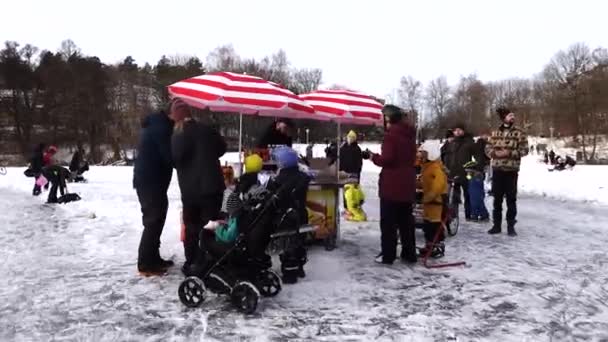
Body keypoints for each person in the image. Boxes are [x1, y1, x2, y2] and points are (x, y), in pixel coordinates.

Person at [171, 99, 227, 276]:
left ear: (176, 117)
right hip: (212, 188)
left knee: (192, 227)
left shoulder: (178, 136)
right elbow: (222, 149)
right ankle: (210, 261)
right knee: (210, 225)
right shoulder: (207, 129)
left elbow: (175, 159)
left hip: (190, 191)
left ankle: (193, 262)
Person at [364, 104, 417, 264]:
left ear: (388, 118)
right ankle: (409, 253)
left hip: (392, 186)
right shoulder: (409, 135)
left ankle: (388, 255)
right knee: (406, 223)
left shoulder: (391, 136)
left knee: (388, 223)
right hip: (407, 184)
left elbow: (387, 159)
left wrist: (373, 157)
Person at [133, 105, 175, 276]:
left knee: (157, 219)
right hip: (150, 181)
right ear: (174, 113)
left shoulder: (159, 124)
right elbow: (170, 156)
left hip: (152, 181)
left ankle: (153, 258)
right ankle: (145, 264)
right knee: (153, 221)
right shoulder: (161, 128)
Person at [486, 107, 529, 236]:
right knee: (497, 199)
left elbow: (525, 150)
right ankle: (496, 225)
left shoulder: (519, 132)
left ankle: (511, 226)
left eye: (513, 116)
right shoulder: (494, 133)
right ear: (504, 117)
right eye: (510, 116)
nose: (513, 118)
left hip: (511, 170)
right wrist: (495, 153)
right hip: (498, 169)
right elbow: (487, 148)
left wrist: (510, 152)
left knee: (511, 199)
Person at [416, 149, 448, 258]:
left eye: (422, 156)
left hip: (436, 201)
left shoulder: (435, 168)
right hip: (428, 201)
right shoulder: (426, 167)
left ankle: (437, 246)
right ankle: (429, 245)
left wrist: (431, 195)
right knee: (427, 225)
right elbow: (426, 181)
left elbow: (439, 184)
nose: (420, 158)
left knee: (434, 225)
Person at [444, 123, 476, 220]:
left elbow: (476, 158)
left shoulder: (469, 142)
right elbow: (447, 156)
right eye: (455, 130)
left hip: (466, 173)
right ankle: (454, 214)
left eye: (459, 130)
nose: (457, 132)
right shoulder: (451, 144)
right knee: (454, 196)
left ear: (463, 131)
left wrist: (472, 168)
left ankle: (469, 214)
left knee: (468, 194)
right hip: (453, 172)